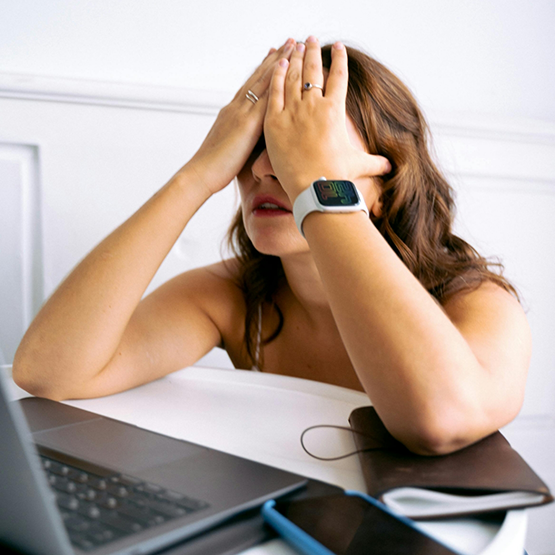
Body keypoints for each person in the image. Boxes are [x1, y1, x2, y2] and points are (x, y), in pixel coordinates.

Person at [13, 37, 531, 456]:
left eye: (301, 151)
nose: (266, 168)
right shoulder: (233, 296)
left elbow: (439, 421)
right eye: (258, 145)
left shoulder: (475, 301)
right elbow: (49, 371)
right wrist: (197, 175)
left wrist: (318, 188)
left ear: (385, 185)